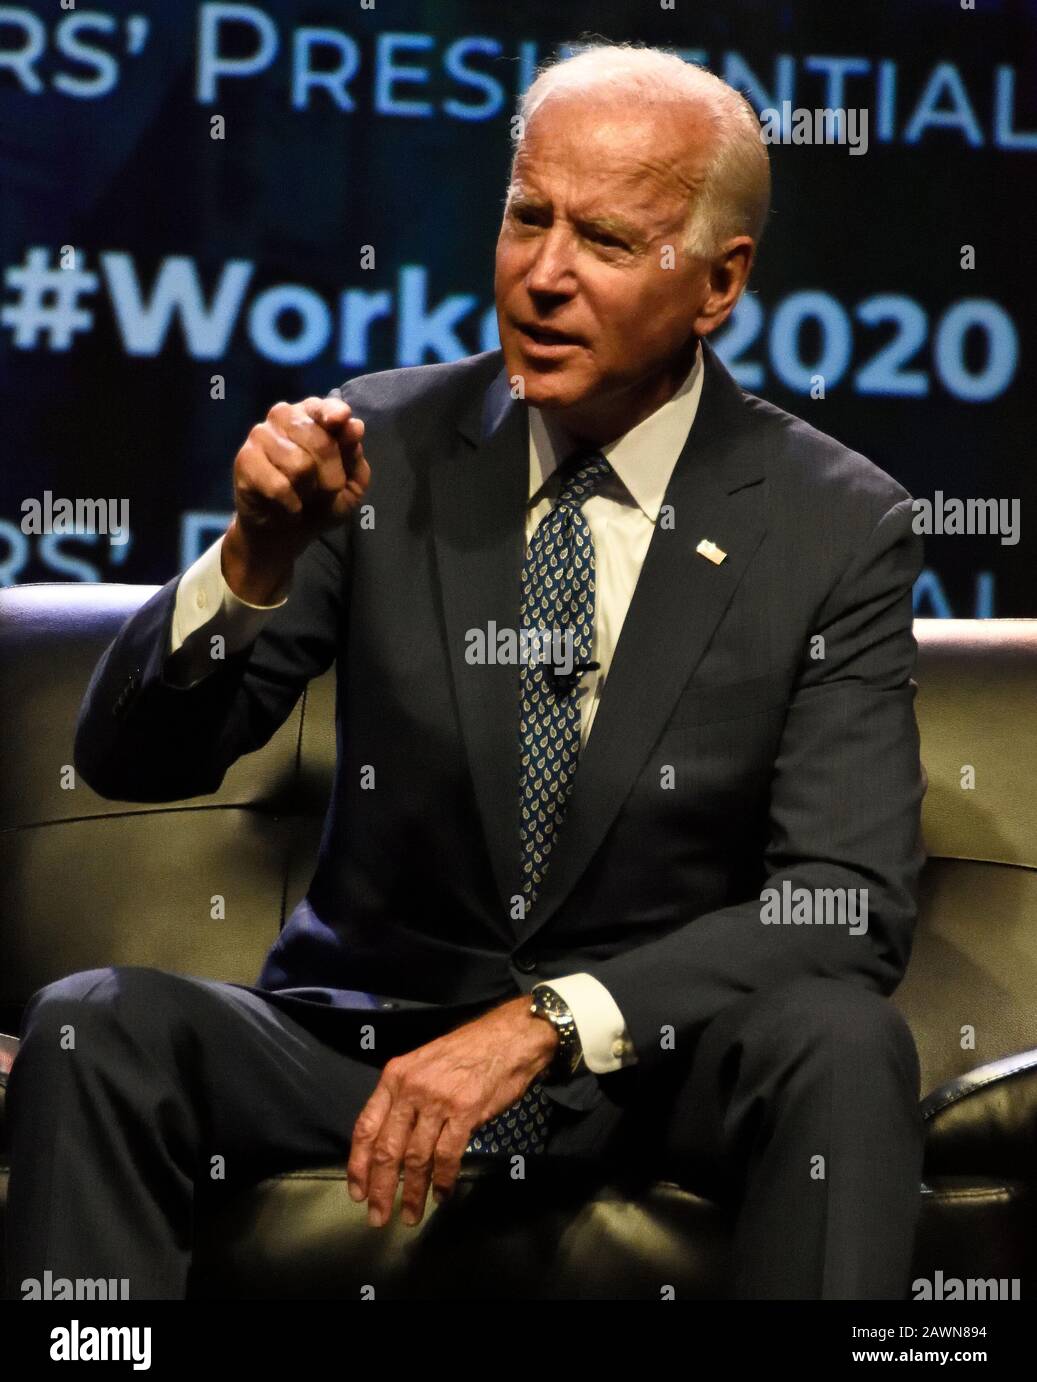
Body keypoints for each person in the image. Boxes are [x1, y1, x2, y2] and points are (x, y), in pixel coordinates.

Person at [4, 41, 926, 1300]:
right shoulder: (384, 446)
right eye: (523, 218)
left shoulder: (835, 522)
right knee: (96, 1022)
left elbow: (843, 900)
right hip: (364, 1045)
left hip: (646, 1075)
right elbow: (130, 760)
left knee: (840, 1039)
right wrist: (253, 558)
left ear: (717, 285)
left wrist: (549, 1024)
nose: (541, 277)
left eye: (603, 241)